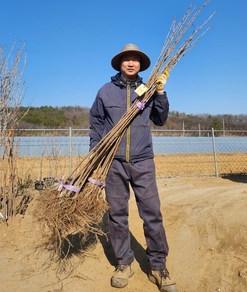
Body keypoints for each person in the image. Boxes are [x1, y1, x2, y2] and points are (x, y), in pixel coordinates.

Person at [89, 44, 178, 292]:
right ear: (119, 63)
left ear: (140, 64)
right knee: (117, 214)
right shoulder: (105, 92)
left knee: (152, 213)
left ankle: (158, 266)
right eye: (126, 59)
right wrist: (95, 151)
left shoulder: (147, 91)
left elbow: (160, 120)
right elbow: (96, 122)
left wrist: (160, 93)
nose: (130, 63)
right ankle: (123, 263)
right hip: (113, 163)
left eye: (135, 60)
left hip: (143, 161)